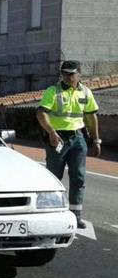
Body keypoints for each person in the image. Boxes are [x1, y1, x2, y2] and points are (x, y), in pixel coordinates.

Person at [36, 60, 101, 229]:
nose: (67, 77)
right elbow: (41, 113)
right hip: (57, 139)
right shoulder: (53, 91)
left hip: (78, 138)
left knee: (79, 177)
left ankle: (75, 215)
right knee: (53, 177)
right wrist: (51, 132)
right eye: (64, 73)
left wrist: (96, 140)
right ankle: (50, 212)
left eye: (71, 74)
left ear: (79, 75)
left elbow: (91, 117)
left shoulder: (86, 92)